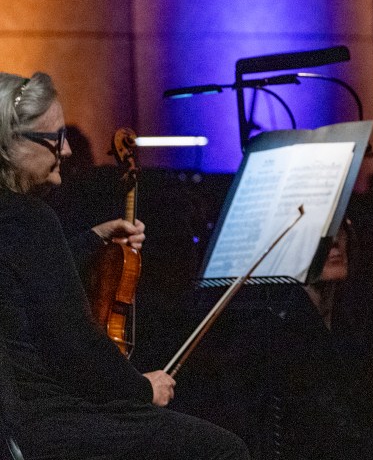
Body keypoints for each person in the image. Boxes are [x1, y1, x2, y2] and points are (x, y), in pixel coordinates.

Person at [0, 71, 249, 460]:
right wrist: (142, 389)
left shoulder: (13, 221)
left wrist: (93, 239)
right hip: (43, 424)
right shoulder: (30, 218)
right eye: (55, 138)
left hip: (15, 425)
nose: (67, 150)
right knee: (224, 449)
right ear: (11, 144)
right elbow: (78, 347)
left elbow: (26, 281)